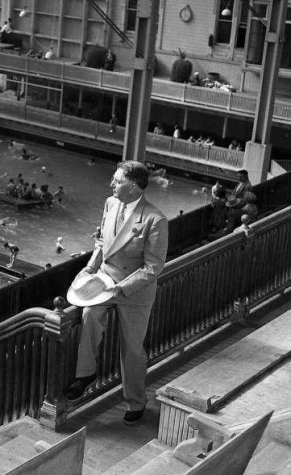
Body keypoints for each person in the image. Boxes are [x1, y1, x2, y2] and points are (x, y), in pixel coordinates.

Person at [64, 160, 169, 425]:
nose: (111, 184)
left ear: (132, 187)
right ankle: (86, 373)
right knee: (89, 313)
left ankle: (136, 400)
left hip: (135, 290)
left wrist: (121, 289)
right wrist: (89, 269)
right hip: (106, 279)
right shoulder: (111, 203)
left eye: (117, 180)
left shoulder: (155, 219)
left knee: (132, 348)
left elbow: (153, 267)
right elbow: (101, 242)